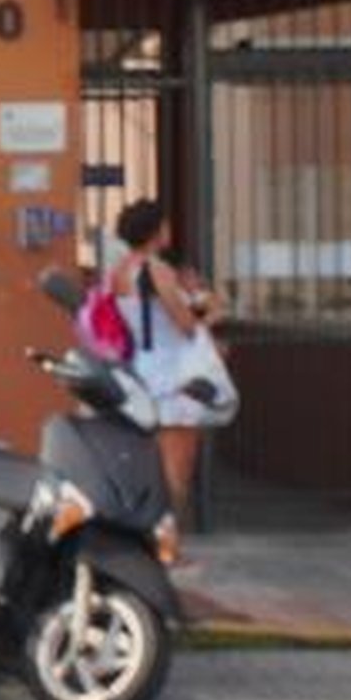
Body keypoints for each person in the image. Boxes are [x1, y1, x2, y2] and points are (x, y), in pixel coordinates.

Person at [108, 198, 225, 532]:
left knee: (147, 462)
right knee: (177, 467)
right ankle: (168, 543)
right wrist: (212, 312)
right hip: (173, 373)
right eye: (165, 224)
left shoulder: (119, 271)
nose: (169, 229)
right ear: (155, 231)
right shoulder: (158, 271)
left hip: (140, 367)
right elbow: (185, 325)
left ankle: (147, 533)